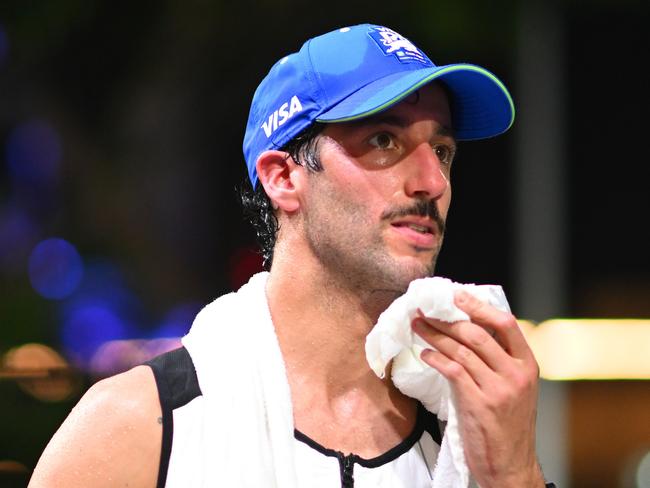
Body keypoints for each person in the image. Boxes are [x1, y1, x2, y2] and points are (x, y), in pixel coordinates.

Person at [29, 24, 554, 487]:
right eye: (383, 140)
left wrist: (515, 479)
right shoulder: (139, 426)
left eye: (441, 151)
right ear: (283, 177)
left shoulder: (467, 430)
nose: (432, 182)